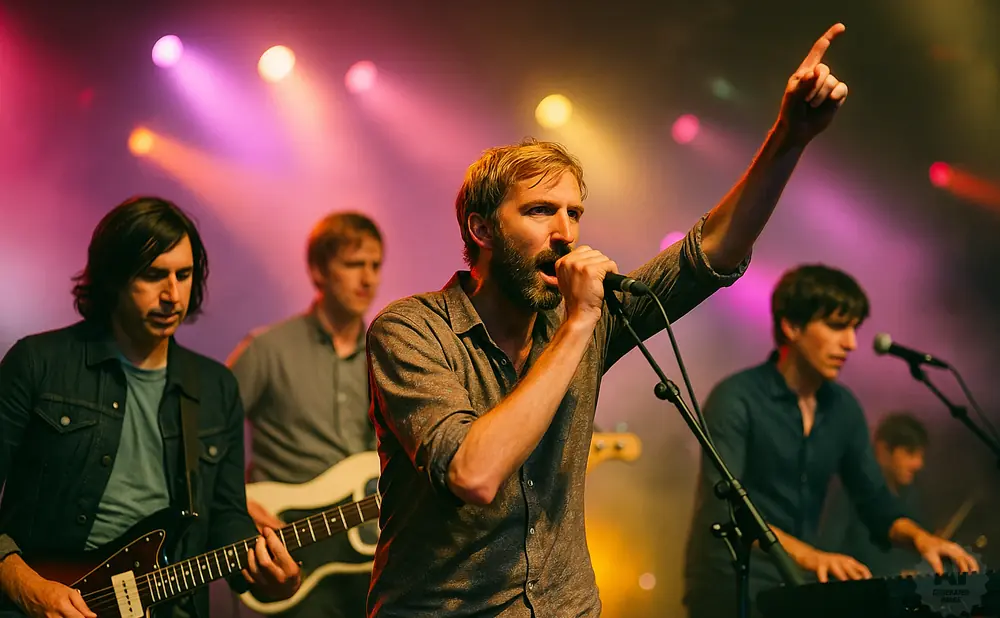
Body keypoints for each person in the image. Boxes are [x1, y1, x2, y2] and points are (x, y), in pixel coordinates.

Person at [366, 22, 860, 618]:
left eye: (574, 213)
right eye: (540, 211)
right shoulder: (411, 330)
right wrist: (577, 327)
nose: (565, 233)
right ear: (481, 228)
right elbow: (474, 472)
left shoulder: (586, 318)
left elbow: (713, 251)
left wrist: (790, 137)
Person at [0, 197, 300, 618]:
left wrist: (271, 580)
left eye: (184, 274)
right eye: (153, 275)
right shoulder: (38, 363)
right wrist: (24, 585)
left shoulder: (216, 388)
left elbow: (226, 517)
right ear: (112, 279)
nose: (172, 295)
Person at [682, 265, 976, 618]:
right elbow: (727, 512)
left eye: (854, 328)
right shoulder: (736, 398)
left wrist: (920, 538)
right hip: (729, 585)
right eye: (837, 326)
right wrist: (812, 556)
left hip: (795, 584)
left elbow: (874, 499)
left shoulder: (843, 408)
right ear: (791, 326)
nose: (850, 343)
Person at [228, 211, 384, 618]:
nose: (367, 279)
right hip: (290, 548)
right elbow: (200, 436)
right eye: (353, 265)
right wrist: (230, 500)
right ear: (318, 271)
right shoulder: (267, 349)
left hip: (370, 554)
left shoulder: (387, 354)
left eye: (375, 265)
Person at [818, 412, 930, 577]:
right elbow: (829, 555)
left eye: (921, 456)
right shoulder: (849, 495)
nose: (919, 464)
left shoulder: (911, 498)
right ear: (883, 450)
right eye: (910, 452)